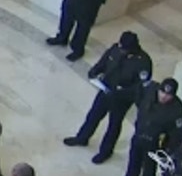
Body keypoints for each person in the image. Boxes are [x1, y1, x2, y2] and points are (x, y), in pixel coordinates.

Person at [62, 30, 153, 163]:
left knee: (114, 125)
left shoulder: (143, 62)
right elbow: (104, 62)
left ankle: (106, 151)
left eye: (124, 49)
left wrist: (122, 91)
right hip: (105, 90)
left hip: (121, 99)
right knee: (93, 115)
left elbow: (140, 87)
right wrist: (94, 71)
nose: (121, 50)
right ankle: (82, 138)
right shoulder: (116, 48)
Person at [114, 77, 182, 176]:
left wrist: (166, 151)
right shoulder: (149, 90)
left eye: (168, 95)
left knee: (148, 171)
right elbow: (137, 94)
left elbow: (177, 134)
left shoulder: (177, 110)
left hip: (154, 143)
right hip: (139, 134)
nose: (164, 96)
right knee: (134, 161)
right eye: (162, 92)